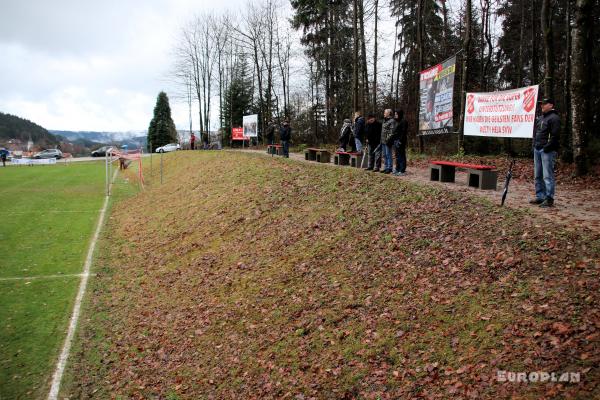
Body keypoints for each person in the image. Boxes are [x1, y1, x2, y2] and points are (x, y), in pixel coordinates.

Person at [530, 98, 560, 208]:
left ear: (551, 105)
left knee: (547, 175)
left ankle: (549, 199)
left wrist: (546, 148)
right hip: (537, 149)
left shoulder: (554, 118)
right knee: (538, 175)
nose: (542, 106)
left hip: (547, 150)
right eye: (541, 104)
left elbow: (555, 136)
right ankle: (540, 196)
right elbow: (536, 133)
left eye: (544, 104)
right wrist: (534, 145)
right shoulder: (540, 118)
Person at [380, 109, 397, 174]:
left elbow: (391, 132)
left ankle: (389, 168)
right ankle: (386, 167)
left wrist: (387, 139)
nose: (384, 113)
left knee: (388, 154)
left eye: (385, 112)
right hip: (383, 140)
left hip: (388, 141)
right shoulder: (384, 120)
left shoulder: (392, 121)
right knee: (384, 155)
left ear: (389, 113)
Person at [392, 109, 408, 176]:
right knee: (397, 155)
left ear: (399, 114)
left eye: (396, 114)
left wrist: (400, 140)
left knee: (401, 155)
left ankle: (402, 170)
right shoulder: (396, 121)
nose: (395, 115)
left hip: (401, 140)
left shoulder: (404, 121)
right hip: (396, 140)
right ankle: (397, 169)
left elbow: (403, 132)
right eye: (395, 114)